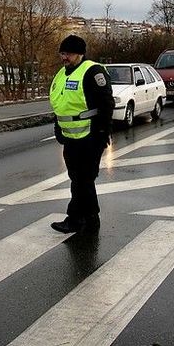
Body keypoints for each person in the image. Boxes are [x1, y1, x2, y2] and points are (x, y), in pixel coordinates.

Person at [49, 34, 114, 233]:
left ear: (80, 54)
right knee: (79, 178)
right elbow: (60, 104)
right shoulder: (62, 73)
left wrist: (102, 133)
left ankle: (75, 219)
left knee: (82, 179)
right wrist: (58, 128)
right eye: (62, 53)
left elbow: (106, 104)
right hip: (70, 138)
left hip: (90, 136)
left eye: (68, 54)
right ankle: (91, 215)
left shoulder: (92, 71)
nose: (64, 57)